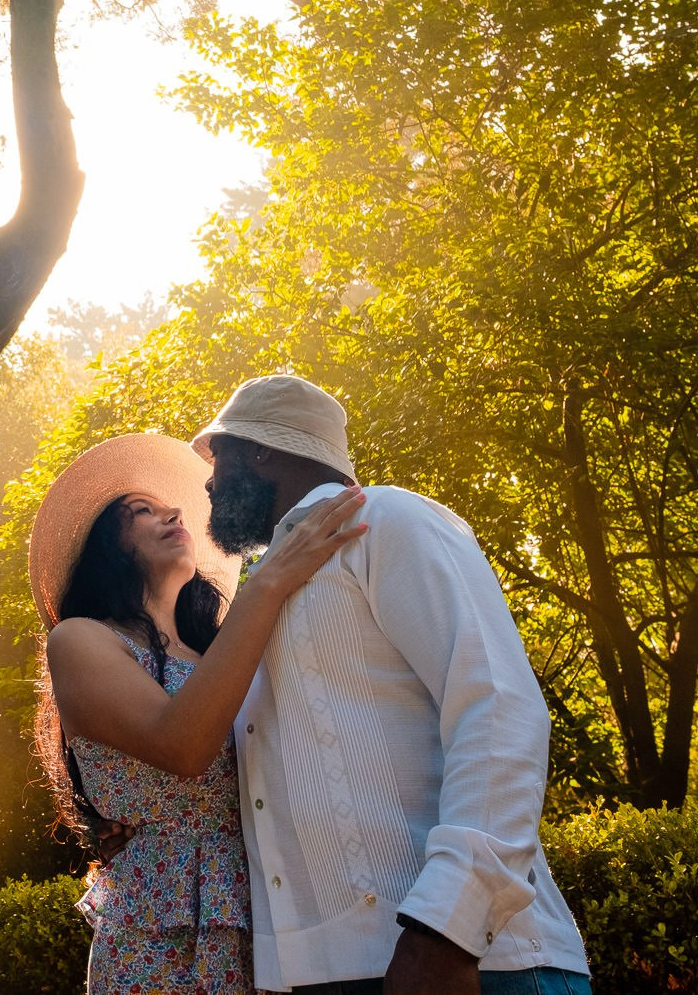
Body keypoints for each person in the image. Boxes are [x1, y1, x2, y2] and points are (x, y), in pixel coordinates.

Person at [193, 375, 592, 995]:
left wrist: (447, 929)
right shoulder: (260, 593)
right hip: (322, 976)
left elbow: (499, 704)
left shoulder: (387, 518)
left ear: (259, 450)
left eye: (218, 456)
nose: (210, 482)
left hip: (471, 966)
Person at [30, 432, 368, 995]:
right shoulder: (79, 639)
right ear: (104, 549)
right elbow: (182, 745)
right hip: (158, 929)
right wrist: (271, 581)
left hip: (262, 907)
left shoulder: (218, 651)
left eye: (170, 507)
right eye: (142, 511)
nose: (172, 513)